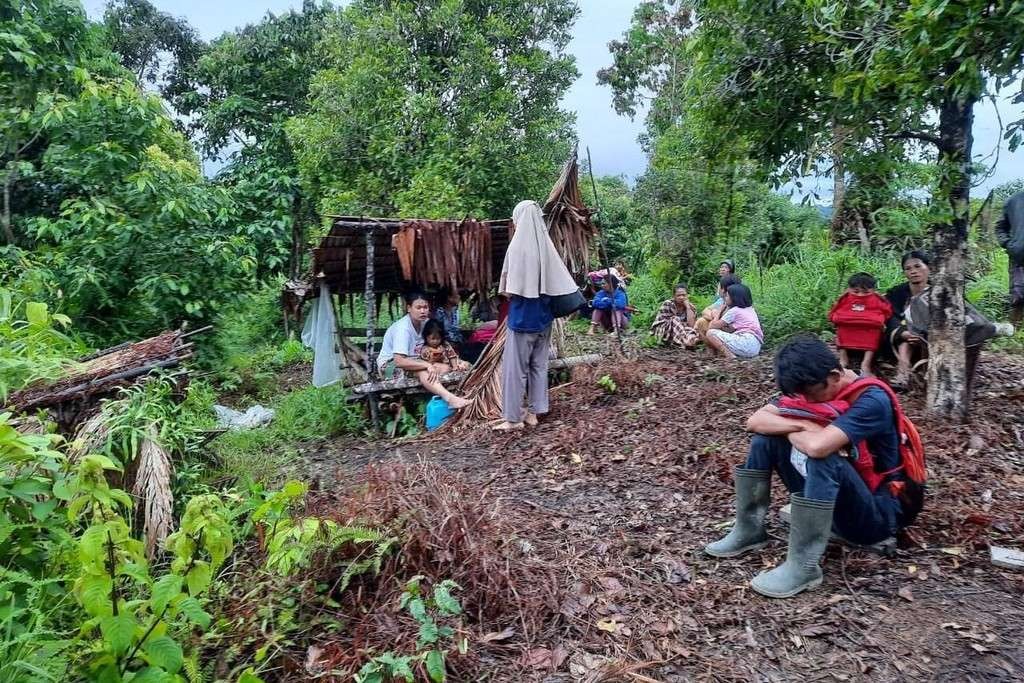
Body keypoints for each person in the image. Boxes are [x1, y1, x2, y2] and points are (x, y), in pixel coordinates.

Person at [704, 335, 919, 598]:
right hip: (837, 503)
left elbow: (818, 447)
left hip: (876, 517)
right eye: (800, 396)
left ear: (834, 376)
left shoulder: (872, 400)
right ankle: (749, 528)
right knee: (765, 440)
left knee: (822, 456)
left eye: (811, 394)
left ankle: (804, 566)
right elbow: (755, 420)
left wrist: (793, 429)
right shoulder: (808, 386)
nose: (807, 401)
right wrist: (802, 425)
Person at [495, 200, 578, 431]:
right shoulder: (546, 246)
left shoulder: (517, 247)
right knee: (538, 366)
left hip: (522, 320)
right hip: (544, 319)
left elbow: (509, 289)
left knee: (515, 370)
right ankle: (534, 412)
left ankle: (512, 419)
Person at [377, 292, 472, 409]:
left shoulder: (426, 323)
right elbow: (399, 361)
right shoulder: (403, 329)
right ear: (409, 308)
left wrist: (457, 362)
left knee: (446, 368)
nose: (422, 311)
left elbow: (442, 344)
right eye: (418, 308)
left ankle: (455, 395)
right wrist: (426, 365)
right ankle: (450, 399)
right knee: (423, 371)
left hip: (417, 361)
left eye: (425, 307)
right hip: (390, 366)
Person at [828, 272, 893, 376]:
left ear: (873, 290)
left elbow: (887, 311)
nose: (860, 295)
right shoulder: (845, 298)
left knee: (875, 332)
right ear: (849, 289)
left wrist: (878, 321)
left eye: (865, 292)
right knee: (841, 328)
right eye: (856, 291)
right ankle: (843, 359)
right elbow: (834, 311)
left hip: (870, 328)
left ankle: (866, 364)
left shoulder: (877, 299)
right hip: (847, 326)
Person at [884, 251, 931, 390]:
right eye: (908, 269)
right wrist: (903, 333)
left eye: (918, 266)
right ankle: (903, 374)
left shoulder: (941, 291)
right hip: (901, 339)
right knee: (906, 338)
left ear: (929, 267)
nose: (913, 272)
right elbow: (890, 316)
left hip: (931, 339)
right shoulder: (896, 293)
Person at [704, 283, 763, 359]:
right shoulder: (750, 309)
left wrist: (718, 311)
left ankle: (730, 356)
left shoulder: (734, 311)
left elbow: (712, 326)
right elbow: (731, 328)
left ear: (734, 298)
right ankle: (739, 355)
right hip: (756, 347)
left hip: (746, 343)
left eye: (727, 296)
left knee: (710, 333)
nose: (725, 298)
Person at [996, 190, 1024, 325]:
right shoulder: (1014, 200)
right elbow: (1000, 227)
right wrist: (1008, 243)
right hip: (1019, 256)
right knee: (1017, 297)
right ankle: (1013, 334)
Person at [650, 284, 699, 349]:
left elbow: (691, 325)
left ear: (687, 296)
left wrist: (688, 308)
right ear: (674, 296)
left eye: (684, 295)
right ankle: (685, 342)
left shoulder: (691, 307)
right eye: (678, 295)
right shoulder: (668, 304)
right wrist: (678, 323)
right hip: (665, 330)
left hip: (682, 330)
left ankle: (690, 341)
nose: (681, 297)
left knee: (692, 331)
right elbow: (663, 323)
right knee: (675, 319)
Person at [695, 273, 742, 338]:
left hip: (734, 334)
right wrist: (715, 316)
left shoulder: (737, 303)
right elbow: (705, 311)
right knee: (701, 321)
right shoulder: (722, 300)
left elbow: (730, 326)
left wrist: (717, 317)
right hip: (721, 327)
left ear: (723, 289)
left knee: (703, 323)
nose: (718, 288)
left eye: (719, 285)